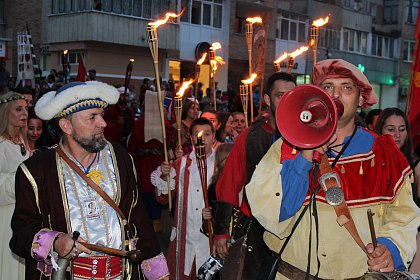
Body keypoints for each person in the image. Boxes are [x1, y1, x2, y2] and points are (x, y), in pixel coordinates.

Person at [245, 59, 420, 279]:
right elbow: (272, 214)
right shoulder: (286, 147)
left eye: (346, 87)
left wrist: (389, 248)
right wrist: (303, 159)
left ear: (360, 99)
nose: (336, 95)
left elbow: (404, 216)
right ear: (318, 96)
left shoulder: (384, 154)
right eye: (328, 87)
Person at [10, 81, 169, 280]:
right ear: (66, 125)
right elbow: (21, 233)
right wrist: (55, 241)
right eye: (92, 117)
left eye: (101, 115)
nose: (102, 123)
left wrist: (158, 272)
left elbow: (138, 216)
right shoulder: (35, 171)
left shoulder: (120, 158)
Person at [213, 72, 296, 280]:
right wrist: (222, 231)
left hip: (295, 227)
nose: (287, 100)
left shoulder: (307, 135)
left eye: (292, 94)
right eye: (280, 95)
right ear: (267, 99)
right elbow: (229, 182)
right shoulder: (250, 136)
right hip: (254, 226)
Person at [151, 117, 216, 280]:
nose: (202, 139)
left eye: (207, 134)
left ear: (214, 136)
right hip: (184, 241)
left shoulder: (221, 164)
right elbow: (164, 199)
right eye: (197, 135)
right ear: (191, 138)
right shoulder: (180, 165)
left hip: (211, 243)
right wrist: (165, 177)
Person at [0, 92, 29, 280]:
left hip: (22, 212)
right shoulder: (1, 145)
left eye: (26, 109)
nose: (24, 113)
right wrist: (25, 177)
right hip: (5, 216)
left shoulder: (22, 141)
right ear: (5, 112)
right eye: (18, 109)